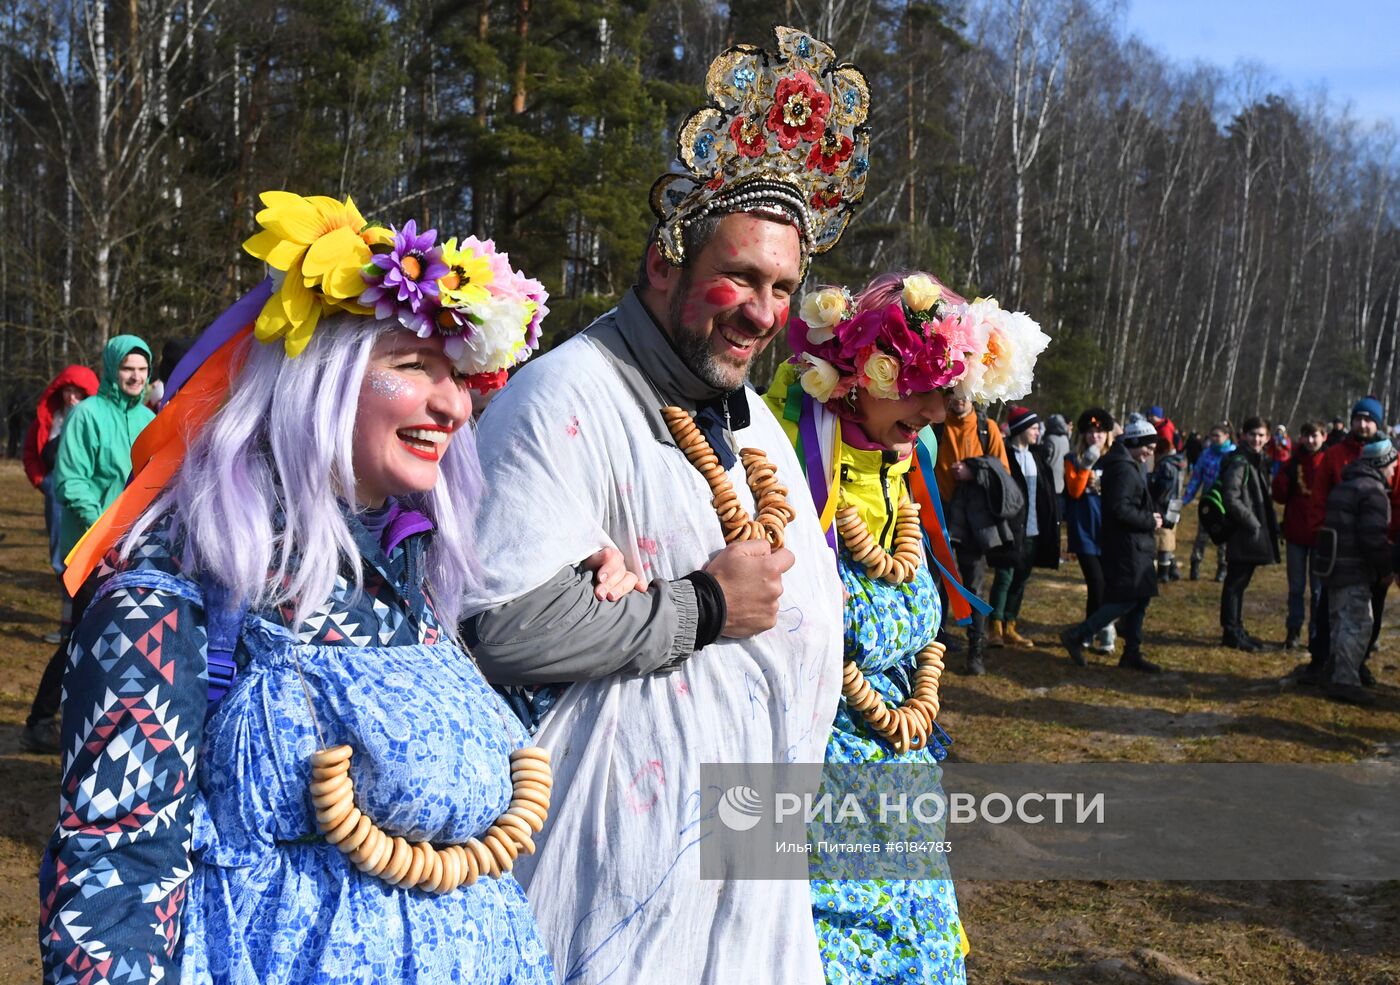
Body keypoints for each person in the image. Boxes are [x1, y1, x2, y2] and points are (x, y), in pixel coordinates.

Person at [40, 192, 555, 982]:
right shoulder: (180, 581)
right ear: (321, 376)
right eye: (412, 366)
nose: (453, 403)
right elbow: (115, 869)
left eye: (457, 374)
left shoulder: (407, 570)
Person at [460, 29, 869, 983]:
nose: (763, 312)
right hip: (619, 867)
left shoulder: (751, 414)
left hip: (751, 863)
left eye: (782, 287)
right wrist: (704, 606)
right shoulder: (565, 395)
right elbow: (496, 621)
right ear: (663, 263)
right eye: (742, 277)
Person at [766, 268, 1049, 984]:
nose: (934, 412)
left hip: (898, 779)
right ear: (861, 372)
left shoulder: (903, 460)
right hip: (814, 784)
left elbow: (910, 600)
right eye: (919, 388)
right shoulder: (784, 453)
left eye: (944, 392)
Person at [22, 338, 155, 755]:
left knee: (124, 641)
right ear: (112, 369)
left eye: (142, 369)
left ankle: (102, 725)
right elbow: (71, 481)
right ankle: (40, 720)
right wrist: (104, 532)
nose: (135, 377)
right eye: (127, 368)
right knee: (82, 637)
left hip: (136, 552)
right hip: (91, 549)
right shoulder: (87, 415)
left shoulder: (151, 420)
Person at [1300, 396, 1398, 685]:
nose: (1363, 425)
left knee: (1371, 611)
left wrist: (1391, 553)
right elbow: (1319, 498)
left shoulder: (1391, 458)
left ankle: (1357, 662)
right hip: (1339, 549)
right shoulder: (1334, 455)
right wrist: (1321, 535)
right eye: (1359, 419)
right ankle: (1321, 660)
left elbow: (1398, 503)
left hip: (1377, 549)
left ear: (1378, 423)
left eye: (1369, 420)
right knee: (1328, 608)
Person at [1060, 417, 1163, 672]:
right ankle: (1078, 634)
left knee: (1139, 598)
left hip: (1134, 543)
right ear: (1135, 442)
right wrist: (1150, 520)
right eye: (1148, 447)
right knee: (1127, 599)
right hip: (1128, 545)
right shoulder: (1123, 469)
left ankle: (1131, 652)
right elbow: (1120, 509)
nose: (1151, 452)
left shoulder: (1126, 464)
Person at [20, 365, 99, 651]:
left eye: (78, 392)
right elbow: (31, 452)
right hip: (56, 494)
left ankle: (83, 625)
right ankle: (67, 624)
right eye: (67, 391)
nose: (71, 397)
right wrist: (42, 482)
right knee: (61, 560)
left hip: (88, 497)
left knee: (86, 562)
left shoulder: (92, 419)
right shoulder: (49, 419)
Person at [934, 393, 1010, 672]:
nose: (960, 398)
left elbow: (1003, 472)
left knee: (974, 585)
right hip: (939, 513)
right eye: (955, 392)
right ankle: (935, 644)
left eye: (966, 392)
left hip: (973, 519)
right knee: (936, 583)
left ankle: (975, 651)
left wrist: (973, 471)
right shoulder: (935, 424)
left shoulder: (987, 428)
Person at [1317, 438, 1396, 705]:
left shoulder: (1345, 485)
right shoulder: (1373, 492)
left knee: (1340, 623)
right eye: (1392, 466)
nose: (1394, 472)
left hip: (1334, 567)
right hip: (1354, 569)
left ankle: (1333, 671)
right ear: (1381, 463)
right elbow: (1372, 539)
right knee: (1358, 624)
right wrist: (1387, 567)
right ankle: (1345, 681)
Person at [989, 405, 1059, 647]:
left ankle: (1011, 624)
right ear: (1021, 429)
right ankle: (995, 627)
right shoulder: (1005, 456)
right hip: (1010, 529)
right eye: (1034, 428)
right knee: (1004, 577)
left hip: (1033, 530)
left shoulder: (1037, 458)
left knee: (1021, 578)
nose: (1038, 432)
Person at [1219, 417, 1281, 650]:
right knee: (1235, 583)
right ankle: (1231, 631)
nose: (1256, 439)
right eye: (1252, 434)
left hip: (1249, 530)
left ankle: (1236, 627)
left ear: (1267, 438)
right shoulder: (1240, 462)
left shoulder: (1256, 459)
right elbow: (1231, 497)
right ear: (1244, 435)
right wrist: (1252, 523)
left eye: (1261, 435)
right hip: (1242, 531)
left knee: (1239, 583)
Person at [1063, 407, 1118, 655]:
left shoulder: (1114, 459)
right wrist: (1086, 466)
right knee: (1096, 582)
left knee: (1105, 583)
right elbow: (1074, 490)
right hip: (1084, 529)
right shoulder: (1072, 459)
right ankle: (1093, 631)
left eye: (1100, 432)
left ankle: (1095, 630)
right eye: (1090, 432)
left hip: (1107, 531)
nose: (1095, 436)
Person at [1273, 421, 1327, 650]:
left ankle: (1316, 633)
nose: (1311, 441)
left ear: (1324, 436)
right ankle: (1293, 630)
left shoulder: (1329, 462)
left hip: (1321, 536)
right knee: (1296, 587)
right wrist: (1283, 477)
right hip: (1296, 533)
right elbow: (1279, 495)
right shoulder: (1293, 463)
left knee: (1318, 590)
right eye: (1307, 436)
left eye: (1315, 436)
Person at [1183, 421, 1235, 581]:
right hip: (1208, 499)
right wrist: (1186, 498)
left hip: (1226, 500)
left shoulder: (1233, 454)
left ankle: (1223, 567)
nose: (1214, 439)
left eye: (1217, 436)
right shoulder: (1206, 454)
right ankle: (1195, 564)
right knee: (1202, 533)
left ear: (1226, 436)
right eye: (1212, 435)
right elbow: (1196, 477)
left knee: (1224, 535)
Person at [1148, 433, 1186, 582]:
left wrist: (1151, 481)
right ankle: (1173, 569)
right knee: (1170, 535)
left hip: (1164, 504)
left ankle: (1163, 574)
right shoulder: (1177, 463)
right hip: (1175, 503)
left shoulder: (1165, 465)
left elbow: (1161, 487)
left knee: (1163, 538)